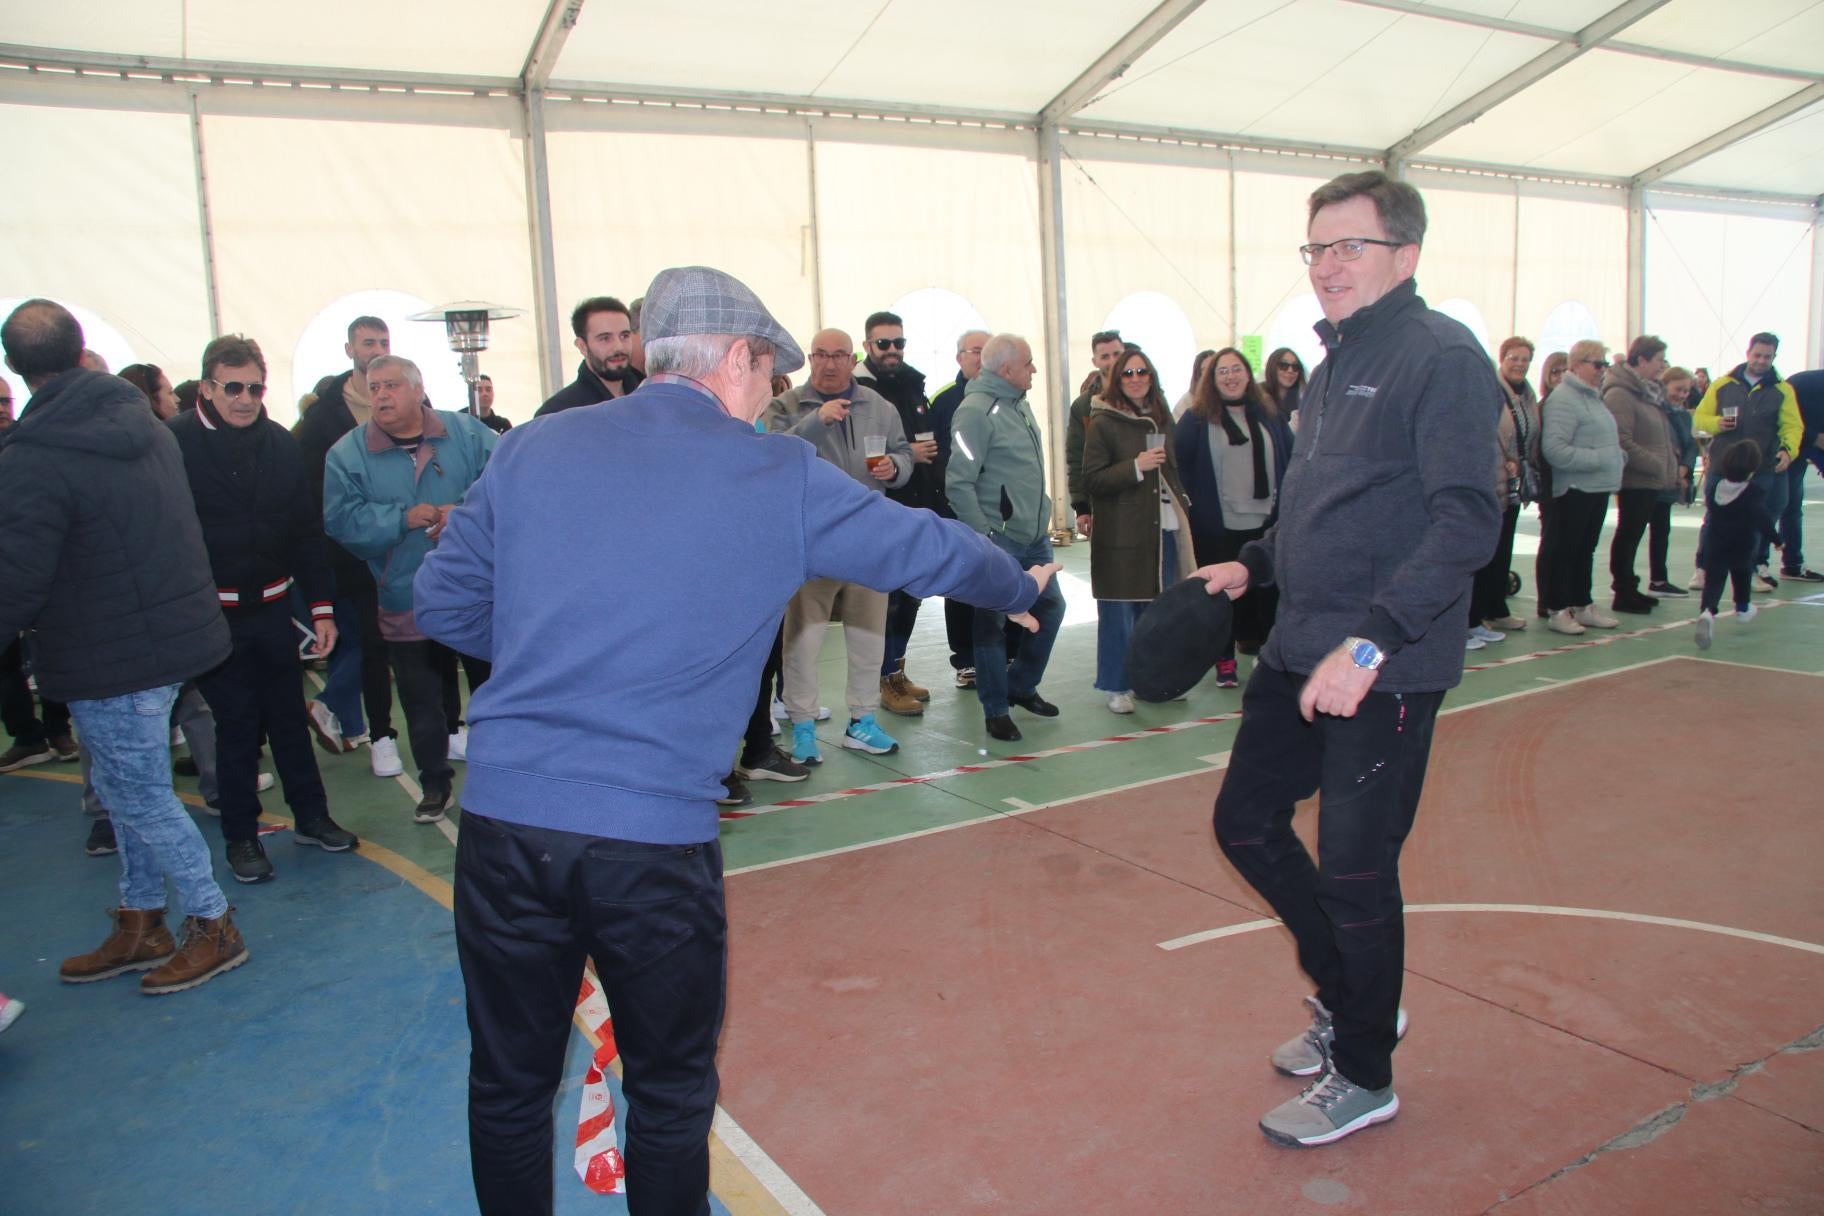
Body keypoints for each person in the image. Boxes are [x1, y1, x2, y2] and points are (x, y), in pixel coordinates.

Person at [411, 265, 1054, 1216]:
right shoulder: (777, 472)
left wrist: (562, 648)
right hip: (650, 839)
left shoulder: (532, 449)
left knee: (508, 1084)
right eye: (770, 374)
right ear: (739, 360)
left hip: (508, 822)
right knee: (669, 1095)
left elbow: (444, 602)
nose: (773, 396)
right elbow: (925, 544)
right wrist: (1022, 585)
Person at [1196, 171, 1501, 1148]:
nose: (1327, 267)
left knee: (1357, 867)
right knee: (1245, 821)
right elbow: (1320, 512)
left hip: (1387, 664)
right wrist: (1251, 566)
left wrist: (1372, 642)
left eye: (1349, 248)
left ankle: (1365, 1071)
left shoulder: (1439, 357)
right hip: (1299, 649)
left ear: (1403, 257)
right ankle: (1354, 994)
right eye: (1316, 249)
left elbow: (1468, 523)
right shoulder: (1331, 366)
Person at [0, 298, 247, 995]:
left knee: (136, 795)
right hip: (169, 638)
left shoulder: (34, 457)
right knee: (124, 786)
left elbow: (16, 576)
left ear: (15, 369)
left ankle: (213, 921)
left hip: (108, 653)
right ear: (81, 353)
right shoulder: (146, 426)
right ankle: (142, 918)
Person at [171, 334, 358, 882]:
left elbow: (305, 530)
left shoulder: (279, 443)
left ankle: (312, 816)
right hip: (214, 618)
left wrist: (321, 607)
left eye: (255, 387)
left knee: (287, 720)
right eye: (233, 387)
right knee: (236, 726)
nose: (245, 398)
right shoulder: (174, 444)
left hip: (274, 611)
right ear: (208, 386)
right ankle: (241, 836)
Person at [323, 354, 497, 823]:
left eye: (391, 385)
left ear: (418, 390)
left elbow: (506, 486)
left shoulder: (469, 435)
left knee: (493, 693)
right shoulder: (346, 454)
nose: (380, 394)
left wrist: (457, 514)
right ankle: (434, 785)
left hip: (478, 593)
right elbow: (340, 520)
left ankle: (499, 779)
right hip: (404, 595)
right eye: (373, 386)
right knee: (421, 701)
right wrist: (401, 518)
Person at [763, 329, 912, 761]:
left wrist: (895, 467)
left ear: (853, 360)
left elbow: (903, 454)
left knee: (869, 639)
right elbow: (772, 457)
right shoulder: (786, 407)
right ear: (810, 359)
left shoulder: (879, 407)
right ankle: (804, 727)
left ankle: (862, 722)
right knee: (803, 641)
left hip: (869, 543)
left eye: (840, 355)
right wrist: (816, 421)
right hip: (813, 544)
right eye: (822, 355)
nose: (830, 363)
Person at [947, 334, 1069, 744]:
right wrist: (984, 538)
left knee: (1051, 608)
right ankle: (995, 710)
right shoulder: (976, 412)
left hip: (1034, 537)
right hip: (1000, 540)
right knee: (991, 624)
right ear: (1007, 370)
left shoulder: (1019, 404)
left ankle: (1020, 684)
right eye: (1029, 364)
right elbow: (958, 483)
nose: (1034, 370)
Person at [294, 315, 401, 776]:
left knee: (413, 642)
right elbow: (316, 494)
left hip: (407, 547)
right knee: (370, 644)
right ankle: (379, 735)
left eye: (382, 341)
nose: (375, 348)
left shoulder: (414, 398)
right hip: (352, 553)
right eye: (367, 342)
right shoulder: (323, 418)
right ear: (349, 350)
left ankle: (444, 728)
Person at [1082, 345, 1193, 712]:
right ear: (1116, 379)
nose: (1136, 379)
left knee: (1157, 611)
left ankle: (1150, 679)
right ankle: (1116, 685)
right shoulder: (1103, 422)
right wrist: (1135, 466)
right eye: (1128, 373)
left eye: (1142, 372)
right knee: (1118, 612)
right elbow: (1092, 478)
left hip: (1162, 529)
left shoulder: (1161, 417)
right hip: (1121, 533)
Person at [1174, 347, 1293, 686]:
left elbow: (1292, 456)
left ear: (1247, 374)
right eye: (1222, 371)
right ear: (1212, 380)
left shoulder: (1269, 415)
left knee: (1268, 594)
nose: (1230, 376)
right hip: (1218, 528)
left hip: (1267, 524)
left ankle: (1268, 656)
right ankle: (1224, 659)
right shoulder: (1196, 419)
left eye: (1236, 369)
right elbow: (1176, 462)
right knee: (1221, 596)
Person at [853, 310, 941, 717]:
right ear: (868, 346)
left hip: (917, 505)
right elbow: (861, 453)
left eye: (898, 343)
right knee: (885, 601)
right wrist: (904, 456)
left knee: (912, 596)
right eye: (884, 343)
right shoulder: (860, 392)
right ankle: (883, 677)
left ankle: (897, 671)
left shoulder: (914, 385)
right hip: (881, 510)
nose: (892, 350)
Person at [1691, 333, 1802, 592]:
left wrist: (1788, 451)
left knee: (1755, 521)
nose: (1761, 361)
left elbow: (1792, 427)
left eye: (1767, 356)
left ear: (1774, 357)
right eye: (1757, 355)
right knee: (1714, 520)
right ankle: (1703, 569)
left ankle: (1750, 570)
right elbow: (1700, 418)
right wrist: (1716, 423)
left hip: (1762, 468)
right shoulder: (1721, 385)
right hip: (1722, 466)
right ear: (1748, 353)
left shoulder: (1783, 390)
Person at [1540, 341, 1624, 635]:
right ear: (1576, 365)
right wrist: (1601, 458)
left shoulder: (1593, 397)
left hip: (1595, 488)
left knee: (1584, 549)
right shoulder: (1563, 399)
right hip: (1574, 489)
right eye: (1597, 364)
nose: (1602, 370)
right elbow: (1554, 449)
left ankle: (1582, 603)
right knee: (1564, 549)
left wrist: (1616, 457)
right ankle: (1558, 609)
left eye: (1605, 365)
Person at [927, 328, 993, 687]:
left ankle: (1005, 656)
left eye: (989, 351)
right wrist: (951, 500)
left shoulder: (1009, 398)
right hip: (958, 509)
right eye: (976, 351)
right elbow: (935, 456)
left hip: (1001, 513)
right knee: (963, 582)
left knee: (1002, 578)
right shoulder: (944, 400)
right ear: (960, 358)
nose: (982, 358)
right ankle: (965, 660)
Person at [1469, 336, 1539, 644]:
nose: (1520, 363)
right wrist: (1507, 459)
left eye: (1525, 359)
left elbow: (1526, 437)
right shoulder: (1489, 391)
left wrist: (1518, 463)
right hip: (1490, 481)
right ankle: (1470, 619)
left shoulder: (1528, 396)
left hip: (1511, 485)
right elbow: (1489, 436)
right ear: (1501, 359)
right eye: (1514, 357)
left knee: (1500, 553)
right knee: (1480, 556)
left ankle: (1492, 609)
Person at [1602, 335, 1677, 615]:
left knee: (1634, 534)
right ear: (1642, 359)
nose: (1662, 366)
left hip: (1650, 479)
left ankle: (1630, 587)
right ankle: (1622, 590)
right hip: (1635, 479)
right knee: (1628, 534)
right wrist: (1656, 463)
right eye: (1658, 360)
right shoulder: (1621, 394)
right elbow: (1622, 439)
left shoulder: (1648, 392)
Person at [1693, 439, 1779, 650]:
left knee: (1714, 581)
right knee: (1741, 575)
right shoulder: (1753, 493)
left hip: (1715, 543)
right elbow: (1762, 519)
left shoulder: (1714, 487)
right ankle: (1742, 608)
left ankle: (1708, 612)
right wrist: (1777, 539)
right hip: (1742, 545)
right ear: (1752, 469)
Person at [536, 296, 642, 416]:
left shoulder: (648, 394)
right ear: (582, 346)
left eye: (624, 336)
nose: (619, 347)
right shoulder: (559, 412)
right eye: (605, 338)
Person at [1066, 329, 1126, 538]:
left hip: (1142, 502)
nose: (1112, 361)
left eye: (1117, 354)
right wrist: (1081, 507)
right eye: (1105, 356)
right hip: (1101, 503)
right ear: (1095, 361)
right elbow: (1075, 457)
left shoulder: (1148, 398)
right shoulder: (1082, 407)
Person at [1649, 366, 1700, 596]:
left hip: (1671, 480)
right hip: (1651, 478)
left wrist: (1685, 467)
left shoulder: (1682, 414)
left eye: (1686, 391)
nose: (1681, 395)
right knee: (1633, 531)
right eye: (1678, 389)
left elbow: (1690, 444)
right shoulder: (1654, 410)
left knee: (1662, 530)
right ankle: (1624, 582)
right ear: (1665, 385)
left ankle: (1659, 579)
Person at [1532, 350, 1569, 616]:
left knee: (1563, 544)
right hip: (1549, 485)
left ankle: (1563, 595)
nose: (1561, 376)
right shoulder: (1544, 407)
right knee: (1552, 543)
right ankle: (1545, 598)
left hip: (1566, 485)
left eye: (1566, 370)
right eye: (1556, 371)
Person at [1776, 367, 1822, 582]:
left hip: (1813, 440)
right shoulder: (1802, 384)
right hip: (1790, 443)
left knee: (1791, 506)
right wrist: (1813, 438)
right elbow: (1783, 418)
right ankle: (1766, 565)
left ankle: (1792, 564)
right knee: (1784, 504)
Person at [1263, 347, 1306, 421]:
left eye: (1295, 367)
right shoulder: (1258, 396)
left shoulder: (1302, 400)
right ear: (1272, 366)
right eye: (1283, 365)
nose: (1290, 370)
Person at [1172, 349, 1216, 420]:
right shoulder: (1187, 400)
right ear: (1198, 374)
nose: (1209, 373)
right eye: (1204, 369)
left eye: (1212, 368)